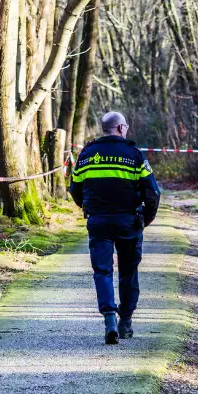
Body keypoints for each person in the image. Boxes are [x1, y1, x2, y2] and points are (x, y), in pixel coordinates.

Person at [70, 111, 162, 345]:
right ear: (121, 128)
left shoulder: (87, 154)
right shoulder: (133, 154)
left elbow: (75, 189)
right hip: (128, 222)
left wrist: (88, 207)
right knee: (128, 272)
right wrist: (146, 219)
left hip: (98, 221)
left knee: (102, 271)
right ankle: (126, 322)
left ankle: (109, 318)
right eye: (126, 127)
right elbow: (153, 192)